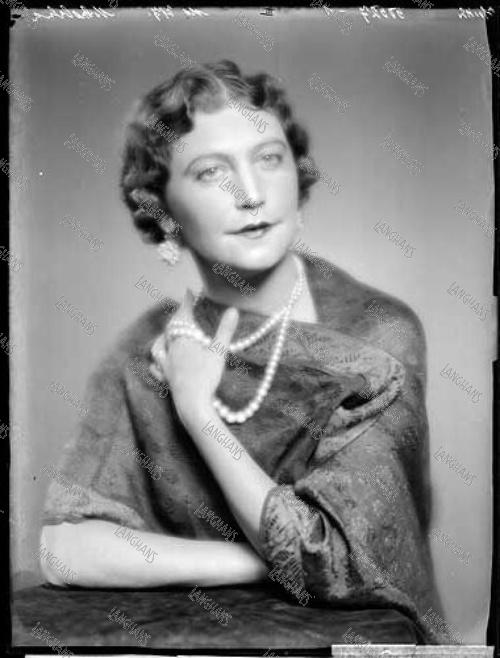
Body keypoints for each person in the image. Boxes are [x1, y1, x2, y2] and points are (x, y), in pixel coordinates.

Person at [40, 60, 445, 643]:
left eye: (269, 159)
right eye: (211, 172)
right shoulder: (144, 351)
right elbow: (64, 550)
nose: (251, 195)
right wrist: (256, 563)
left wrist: (198, 413)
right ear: (164, 211)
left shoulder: (378, 334)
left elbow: (331, 559)